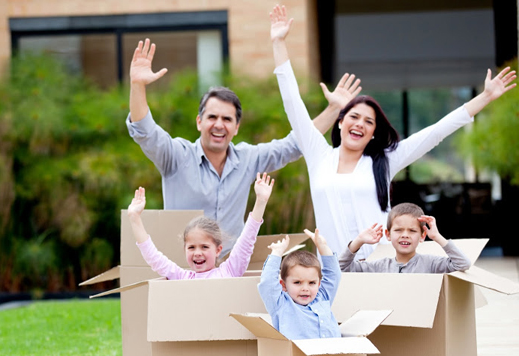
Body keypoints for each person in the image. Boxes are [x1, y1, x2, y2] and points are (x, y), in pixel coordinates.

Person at [270, 5, 517, 260]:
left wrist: (485, 97)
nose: (359, 124)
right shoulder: (318, 156)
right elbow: (292, 103)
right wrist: (278, 42)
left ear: (374, 133)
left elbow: (436, 132)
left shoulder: (384, 161)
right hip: (333, 270)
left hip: (381, 267)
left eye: (368, 122)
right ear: (340, 122)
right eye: (353, 117)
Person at [126, 38, 362, 255]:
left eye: (227, 119)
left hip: (231, 269)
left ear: (236, 127)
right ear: (199, 122)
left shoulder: (248, 159)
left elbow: (294, 144)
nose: (219, 125)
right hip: (184, 267)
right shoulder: (176, 156)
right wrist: (137, 84)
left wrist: (334, 109)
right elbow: (145, 131)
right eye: (212, 117)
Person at [127, 172, 274, 279]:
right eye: (191, 247)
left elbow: (247, 240)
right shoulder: (182, 278)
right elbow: (154, 258)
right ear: (184, 249)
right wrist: (135, 218)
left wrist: (260, 201)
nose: (197, 253)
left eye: (204, 247)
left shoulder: (230, 271)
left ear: (218, 250)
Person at [257, 229, 342, 340]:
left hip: (333, 355)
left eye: (312, 283)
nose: (305, 288)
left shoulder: (322, 298)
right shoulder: (281, 305)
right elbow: (267, 283)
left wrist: (323, 247)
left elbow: (333, 275)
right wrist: (277, 253)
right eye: (297, 282)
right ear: (283, 285)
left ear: (319, 284)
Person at [339, 202, 471, 273]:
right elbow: (341, 268)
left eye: (412, 231)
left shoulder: (431, 264)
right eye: (398, 230)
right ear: (388, 235)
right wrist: (359, 241)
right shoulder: (378, 267)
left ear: (422, 235)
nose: (405, 235)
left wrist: (437, 237)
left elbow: (463, 264)